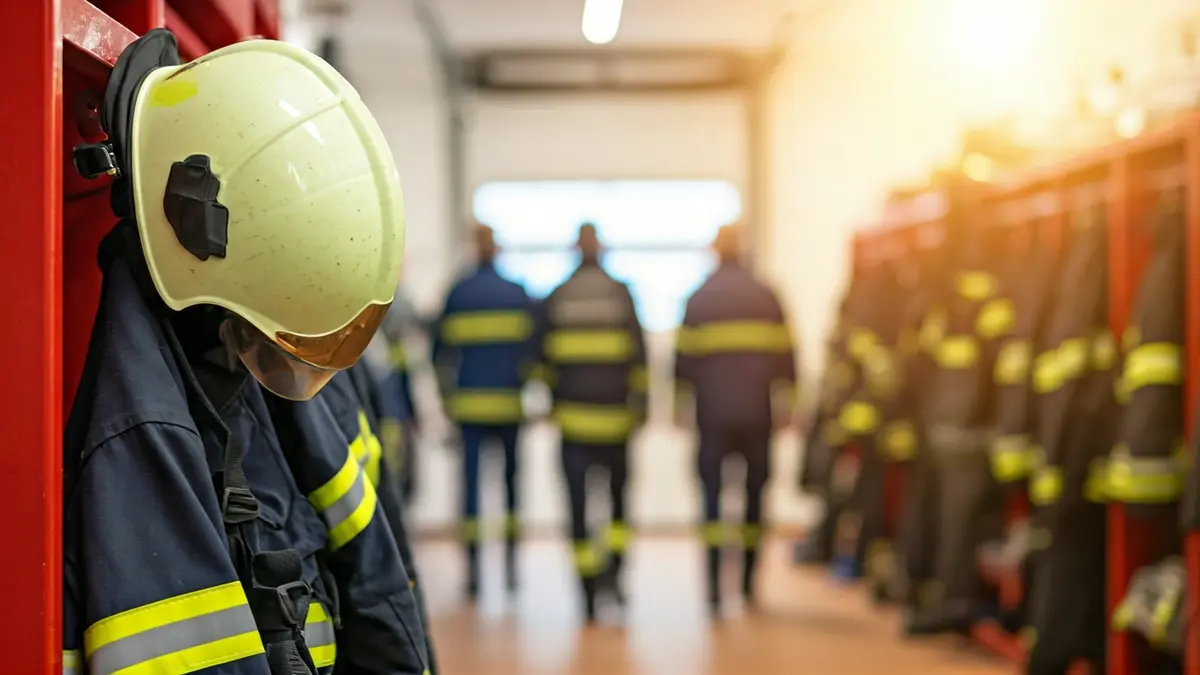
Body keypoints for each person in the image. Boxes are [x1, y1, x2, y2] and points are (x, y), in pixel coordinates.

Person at [63, 29, 430, 675]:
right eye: (257, 342)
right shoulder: (143, 426)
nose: (268, 363)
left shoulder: (285, 321)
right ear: (191, 224)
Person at [675, 224, 798, 617]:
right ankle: (746, 585)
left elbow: (682, 365)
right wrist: (789, 407)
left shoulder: (698, 299)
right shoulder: (767, 296)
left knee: (711, 498)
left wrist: (681, 409)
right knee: (754, 498)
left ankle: (713, 588)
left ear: (715, 251)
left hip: (712, 418)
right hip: (756, 416)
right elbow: (787, 359)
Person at [528, 222, 648, 622]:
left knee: (578, 509)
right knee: (617, 507)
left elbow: (541, 361)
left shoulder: (557, 297)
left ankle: (587, 596)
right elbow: (640, 359)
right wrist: (641, 407)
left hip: (574, 427)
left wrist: (553, 400)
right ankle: (615, 578)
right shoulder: (621, 294)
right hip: (617, 425)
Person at [432, 223, 535, 600]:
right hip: (510, 409)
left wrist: (447, 399)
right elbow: (534, 352)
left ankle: (473, 573)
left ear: (475, 248)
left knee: (471, 491)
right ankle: (510, 569)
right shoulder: (518, 294)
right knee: (510, 486)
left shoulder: (459, 293)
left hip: (469, 410)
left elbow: (438, 354)